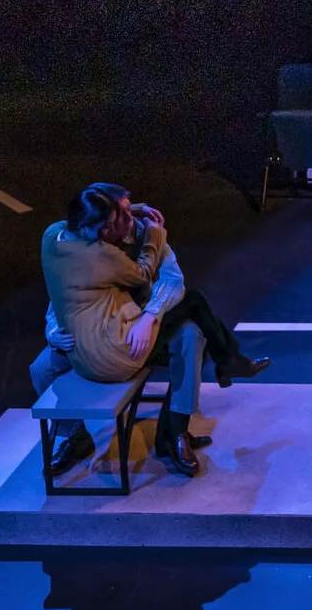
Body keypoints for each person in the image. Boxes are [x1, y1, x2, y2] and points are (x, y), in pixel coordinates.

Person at [37, 182, 269, 478]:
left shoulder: (136, 236)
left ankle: (175, 434)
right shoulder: (94, 248)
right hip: (100, 338)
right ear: (92, 222)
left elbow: (174, 283)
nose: (126, 220)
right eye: (117, 215)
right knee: (41, 368)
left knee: (190, 335)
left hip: (140, 329)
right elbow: (63, 294)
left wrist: (149, 316)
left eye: (126, 212)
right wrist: (53, 328)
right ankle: (75, 435)